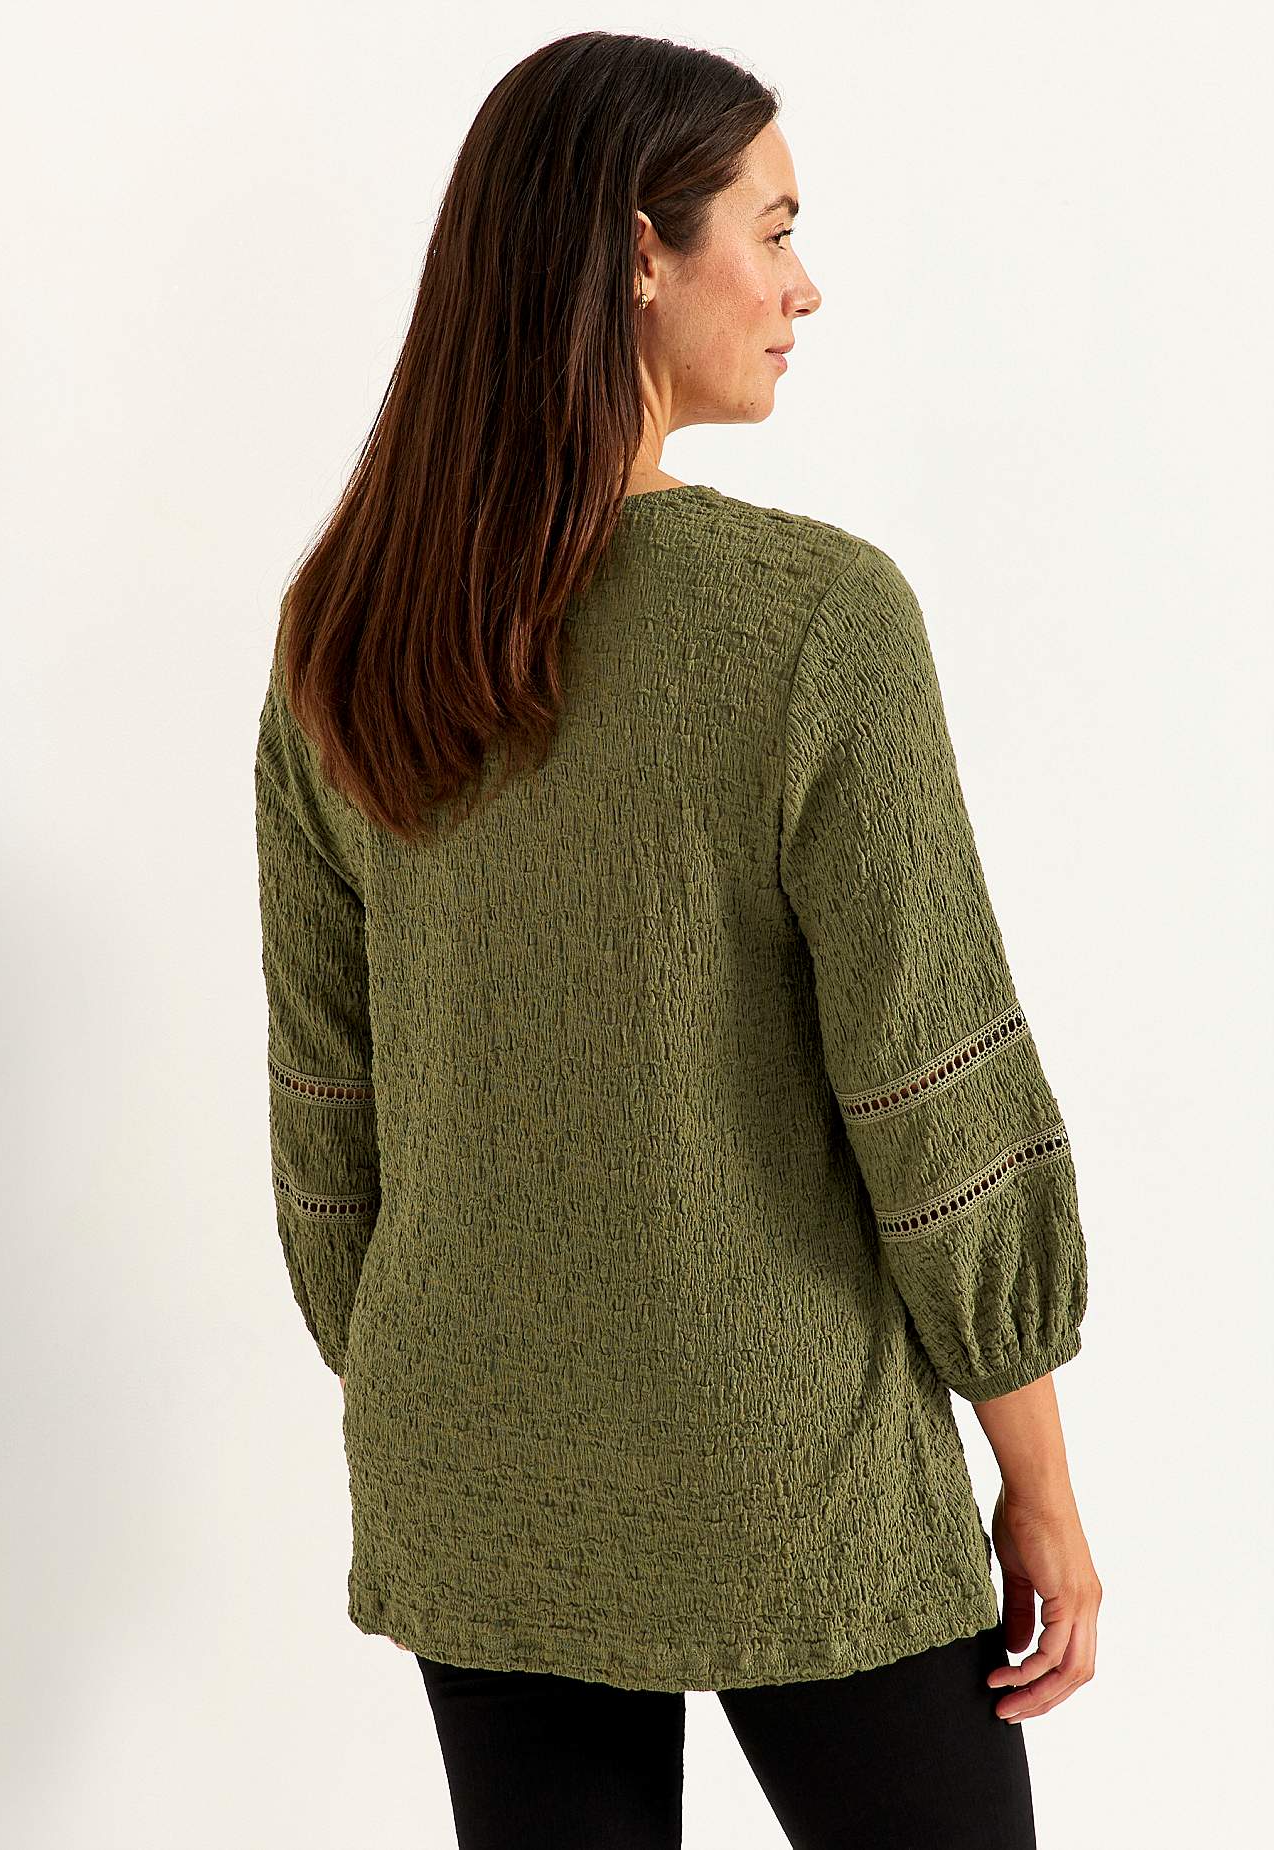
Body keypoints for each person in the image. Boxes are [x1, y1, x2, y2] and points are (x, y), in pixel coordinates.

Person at [253, 29, 1100, 1850]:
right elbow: (933, 1098)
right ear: (641, 253)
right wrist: (1037, 1476)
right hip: (786, 1460)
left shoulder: (346, 633)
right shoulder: (815, 625)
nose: (805, 286)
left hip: (475, 1461)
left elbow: (328, 1123)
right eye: (773, 230)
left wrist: (459, 1374)